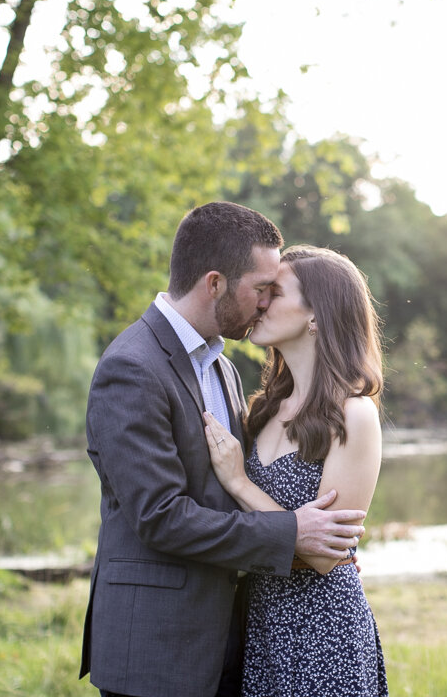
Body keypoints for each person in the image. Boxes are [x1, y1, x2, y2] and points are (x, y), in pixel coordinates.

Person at [79, 203, 367, 697]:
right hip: (157, 647)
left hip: (235, 642)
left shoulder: (223, 369)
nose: (263, 303)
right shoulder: (133, 367)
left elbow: (243, 496)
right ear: (215, 283)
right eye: (261, 289)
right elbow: (159, 515)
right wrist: (291, 532)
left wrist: (293, 540)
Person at [203, 244, 388, 697]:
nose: (260, 302)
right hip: (261, 626)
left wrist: (240, 482)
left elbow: (326, 556)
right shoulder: (262, 410)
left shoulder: (354, 414)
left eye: (275, 292)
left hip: (322, 631)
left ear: (317, 316)